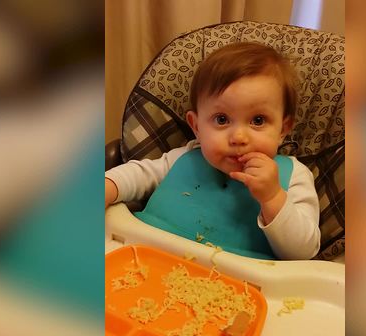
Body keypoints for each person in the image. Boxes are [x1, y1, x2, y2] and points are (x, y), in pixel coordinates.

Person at [105, 42, 320, 260]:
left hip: (238, 285)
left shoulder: (295, 175)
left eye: (258, 120)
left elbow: (303, 252)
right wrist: (108, 186)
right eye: (222, 119)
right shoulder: (184, 158)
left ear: (283, 129)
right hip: (144, 260)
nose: (239, 137)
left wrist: (273, 197)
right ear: (197, 126)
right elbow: (139, 174)